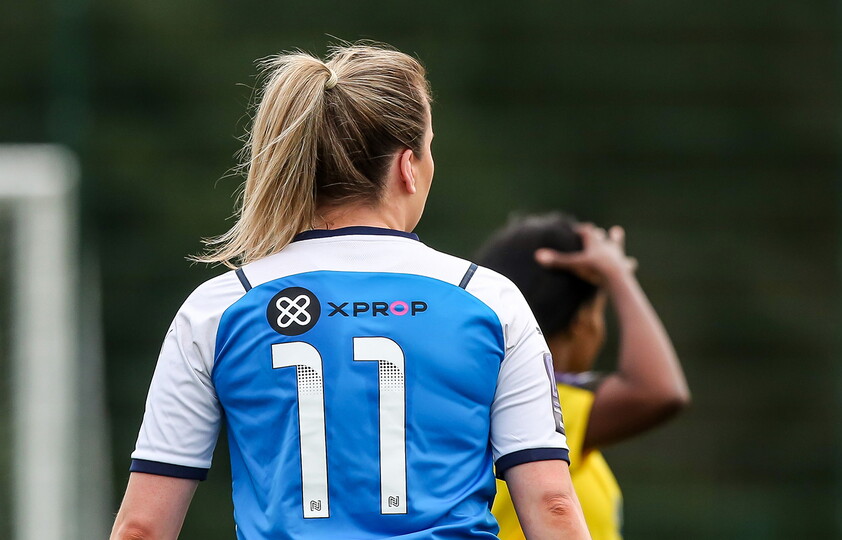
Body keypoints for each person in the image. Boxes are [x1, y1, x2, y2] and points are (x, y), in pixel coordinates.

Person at [110, 44, 590, 540]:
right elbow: (551, 504)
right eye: (430, 146)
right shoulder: (490, 301)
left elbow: (142, 529)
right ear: (408, 165)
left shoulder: (219, 307)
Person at [478, 214, 690, 540]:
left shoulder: (474, 394)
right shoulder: (543, 403)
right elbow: (658, 391)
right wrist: (618, 276)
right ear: (582, 321)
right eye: (598, 311)